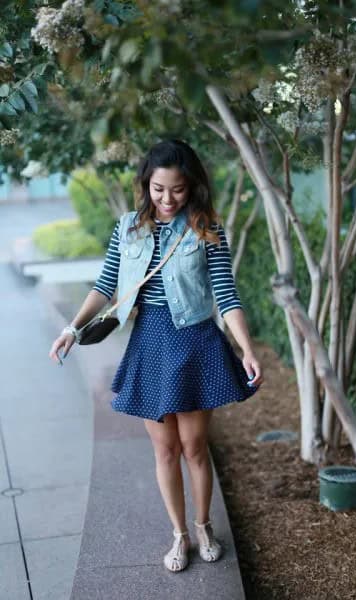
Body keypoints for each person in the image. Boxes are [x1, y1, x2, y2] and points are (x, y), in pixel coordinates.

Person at [49, 139, 264, 573]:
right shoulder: (128, 227)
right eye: (158, 189)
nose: (167, 199)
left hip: (196, 342)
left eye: (178, 190)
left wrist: (246, 347)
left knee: (194, 447)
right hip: (150, 343)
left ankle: (203, 525)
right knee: (165, 450)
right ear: (146, 184)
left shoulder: (206, 228)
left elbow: (225, 293)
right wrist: (72, 328)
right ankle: (179, 533)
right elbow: (105, 284)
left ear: (193, 188)